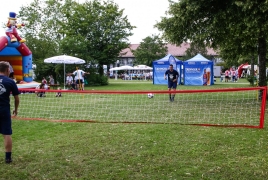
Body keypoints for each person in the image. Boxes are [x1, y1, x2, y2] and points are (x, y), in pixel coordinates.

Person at [0, 61, 20, 163]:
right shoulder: (10, 81)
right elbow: (16, 98)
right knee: (7, 133)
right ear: (8, 70)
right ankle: (8, 158)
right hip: (4, 110)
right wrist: (15, 110)